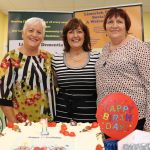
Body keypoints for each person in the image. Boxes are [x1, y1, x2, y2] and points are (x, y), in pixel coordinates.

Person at [95, 7, 150, 132]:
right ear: (105, 27)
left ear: (126, 26)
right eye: (110, 22)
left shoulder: (138, 47)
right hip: (108, 116)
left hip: (133, 116)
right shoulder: (105, 48)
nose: (114, 25)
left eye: (119, 21)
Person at [0, 17, 55, 123]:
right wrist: (14, 124)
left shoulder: (48, 58)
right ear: (23, 33)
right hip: (21, 125)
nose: (34, 34)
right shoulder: (11, 58)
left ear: (43, 37)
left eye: (39, 32)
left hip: (49, 124)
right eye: (30, 30)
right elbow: (3, 95)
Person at [52, 18, 100, 123]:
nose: (75, 36)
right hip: (63, 117)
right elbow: (53, 85)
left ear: (85, 35)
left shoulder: (97, 57)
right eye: (71, 32)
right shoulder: (56, 59)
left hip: (90, 118)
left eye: (79, 31)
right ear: (65, 37)